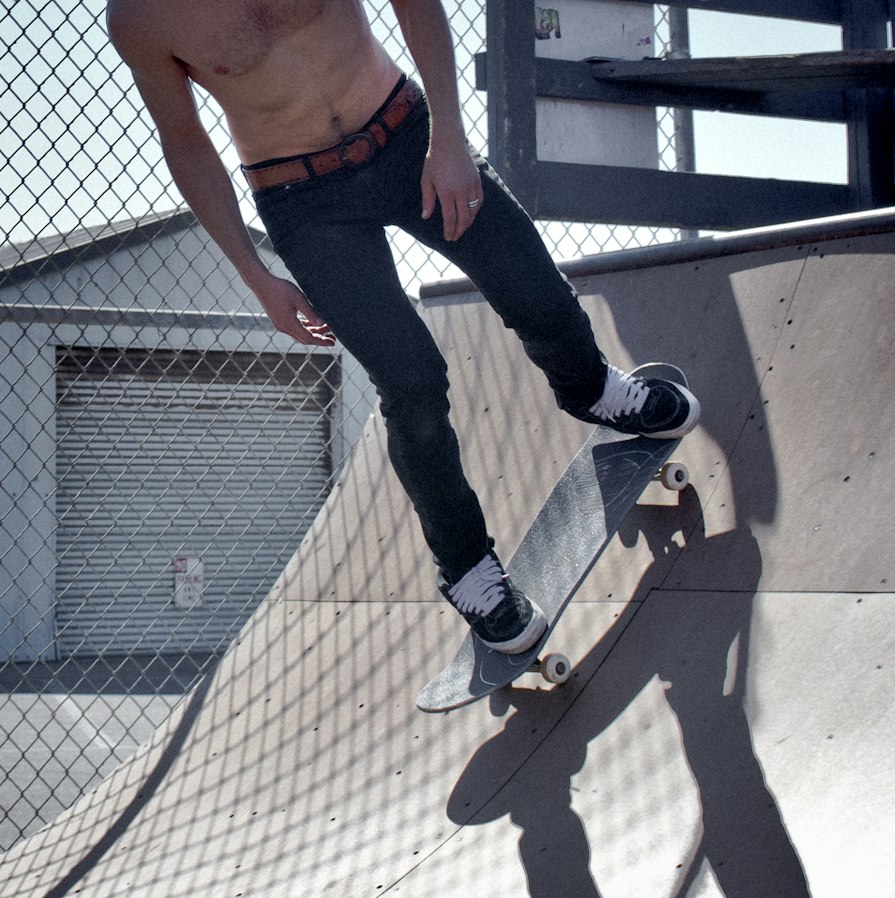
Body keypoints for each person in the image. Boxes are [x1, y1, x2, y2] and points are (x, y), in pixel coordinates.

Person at [107, 0, 700, 653]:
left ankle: (594, 389)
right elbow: (184, 141)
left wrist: (449, 135)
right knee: (411, 385)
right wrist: (257, 277)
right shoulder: (142, 17)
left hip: (405, 135)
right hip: (301, 201)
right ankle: (469, 570)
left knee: (533, 288)